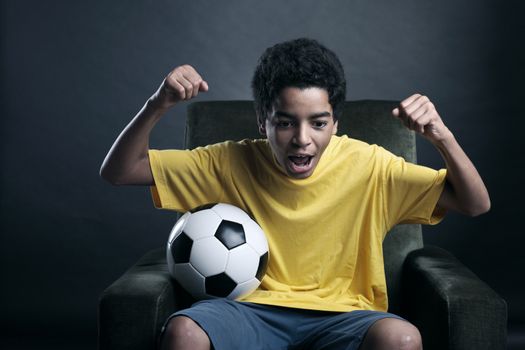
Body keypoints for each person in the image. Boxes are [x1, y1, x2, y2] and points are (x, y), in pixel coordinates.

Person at [100, 38, 490, 350]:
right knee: (184, 333)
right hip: (248, 311)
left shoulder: (372, 166)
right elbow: (119, 171)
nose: (302, 140)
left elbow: (475, 203)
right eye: (285, 123)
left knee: (403, 339)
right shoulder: (227, 161)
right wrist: (158, 103)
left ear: (335, 122)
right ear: (262, 121)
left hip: (345, 315)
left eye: (318, 123)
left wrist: (442, 136)